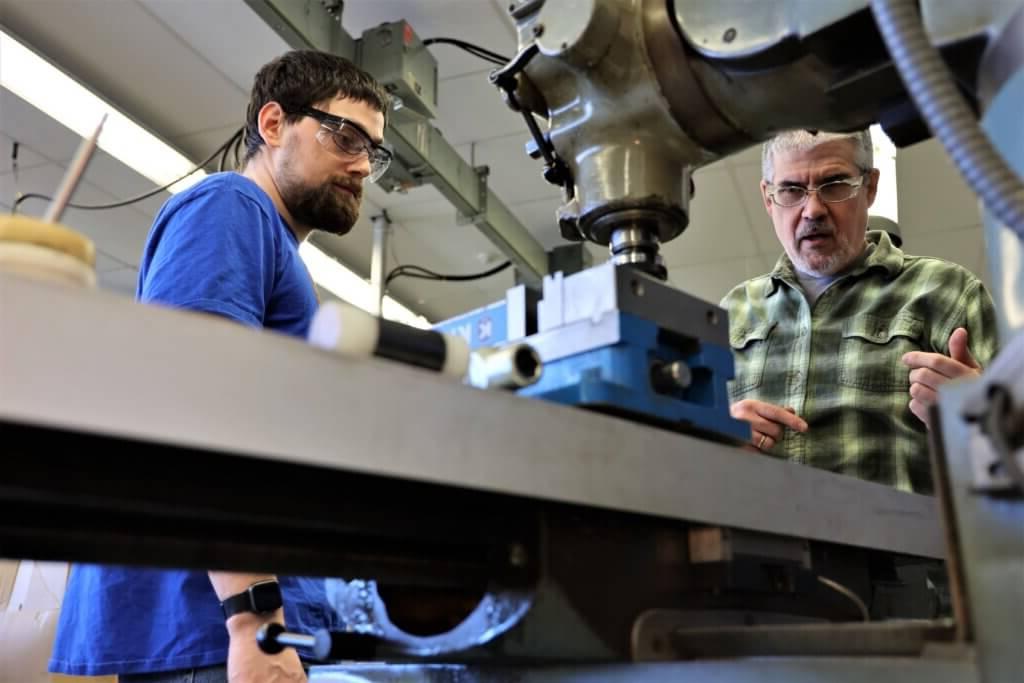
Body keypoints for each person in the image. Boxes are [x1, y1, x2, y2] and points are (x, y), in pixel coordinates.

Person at [49, 49, 392, 683]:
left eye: (374, 149)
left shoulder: (273, 246)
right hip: (208, 619)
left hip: (220, 615)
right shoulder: (231, 207)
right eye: (344, 135)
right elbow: (195, 402)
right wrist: (251, 618)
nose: (363, 162)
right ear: (272, 125)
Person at [722, 128, 998, 494]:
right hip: (756, 548)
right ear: (768, 198)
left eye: (834, 183)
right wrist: (715, 433)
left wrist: (985, 419)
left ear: (870, 187)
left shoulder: (947, 292)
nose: (813, 210)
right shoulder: (731, 314)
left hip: (900, 548)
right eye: (791, 190)